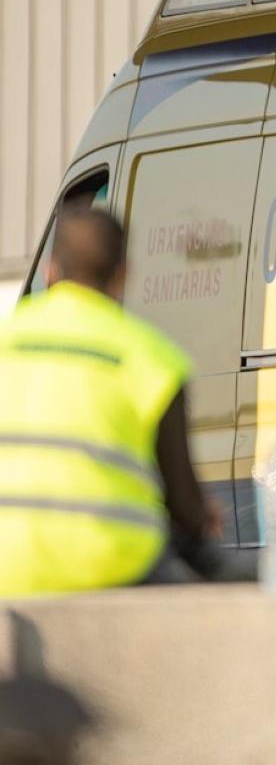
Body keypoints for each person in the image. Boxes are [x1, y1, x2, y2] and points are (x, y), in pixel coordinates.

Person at [0, 206, 220, 596]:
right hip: (107, 568)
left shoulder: (7, 339)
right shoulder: (154, 359)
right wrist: (205, 516)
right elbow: (184, 507)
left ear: (51, 271)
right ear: (122, 276)